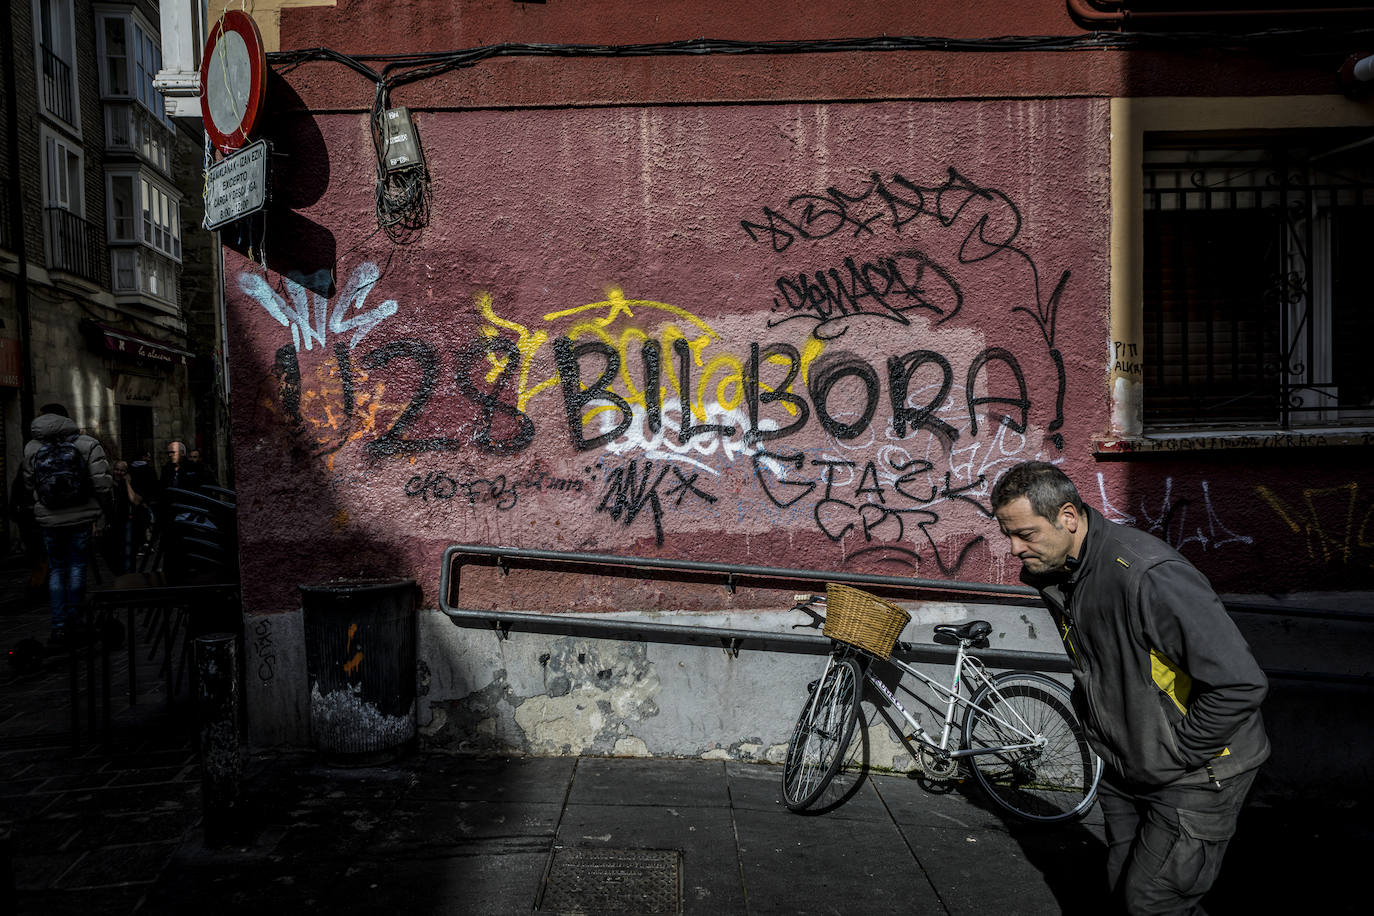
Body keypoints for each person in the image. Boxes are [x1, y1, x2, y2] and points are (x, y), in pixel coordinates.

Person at [989, 461, 1268, 916]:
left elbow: (1239, 683)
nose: (1015, 548)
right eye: (1008, 535)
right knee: (1121, 888)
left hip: (1194, 774)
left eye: (1026, 534)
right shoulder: (1065, 572)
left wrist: (1173, 753)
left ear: (1068, 517)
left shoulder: (1147, 574)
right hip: (1126, 766)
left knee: (1151, 902)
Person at [22, 403, 114, 647]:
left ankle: (59, 626)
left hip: (49, 519)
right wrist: (106, 514)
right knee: (76, 566)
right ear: (67, 419)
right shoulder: (87, 444)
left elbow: (29, 484)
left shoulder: (32, 447)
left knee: (56, 569)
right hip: (81, 517)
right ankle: (77, 620)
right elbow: (103, 484)